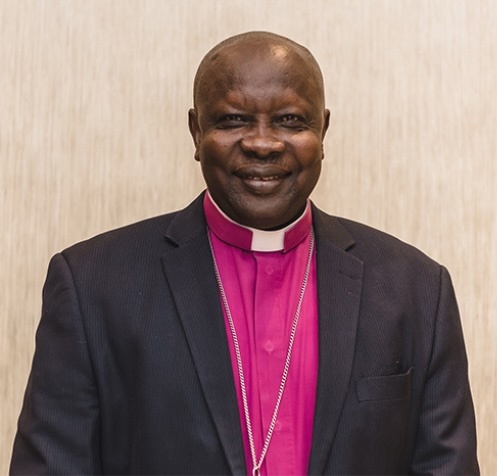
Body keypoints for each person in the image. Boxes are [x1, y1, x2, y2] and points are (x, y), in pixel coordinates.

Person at [10, 31, 478, 475]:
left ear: (323, 130)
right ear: (196, 132)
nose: (262, 143)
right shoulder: (93, 285)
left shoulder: (416, 289)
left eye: (290, 120)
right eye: (233, 120)